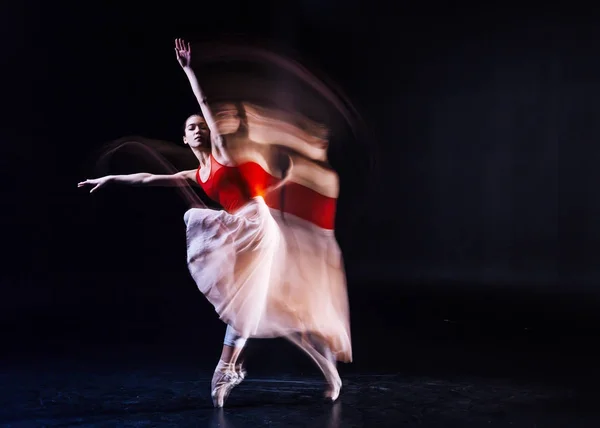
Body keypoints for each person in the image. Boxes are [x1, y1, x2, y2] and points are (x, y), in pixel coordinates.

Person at [78, 38, 351, 407]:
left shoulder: (221, 151)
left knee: (244, 303)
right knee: (266, 309)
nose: (198, 129)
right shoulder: (197, 172)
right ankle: (326, 370)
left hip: (257, 226)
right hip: (237, 230)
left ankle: (225, 370)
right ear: (184, 137)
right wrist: (109, 180)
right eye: (191, 127)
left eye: (200, 126)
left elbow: (205, 105)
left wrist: (190, 70)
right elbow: (148, 179)